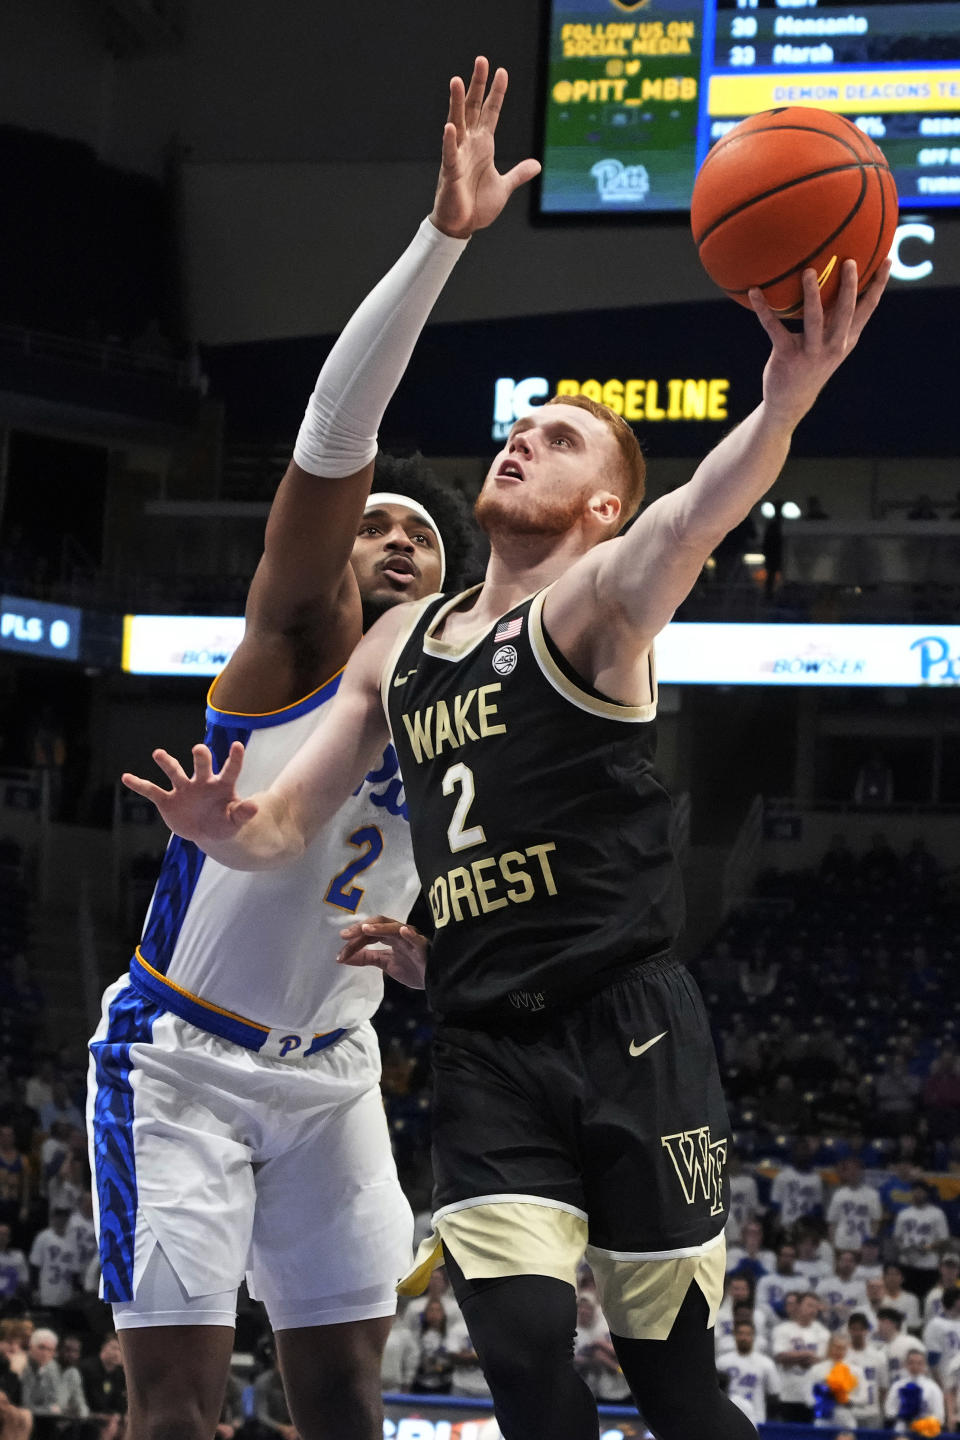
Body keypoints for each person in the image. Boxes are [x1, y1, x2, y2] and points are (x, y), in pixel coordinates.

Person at [122, 55, 890, 1440]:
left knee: (629, 1384)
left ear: (599, 507)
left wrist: (782, 402)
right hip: (356, 1043)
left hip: (550, 1031)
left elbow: (693, 518)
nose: (520, 446)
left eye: (558, 438)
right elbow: (290, 809)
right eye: (518, 427)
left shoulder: (588, 607)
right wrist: (231, 829)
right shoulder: (352, 642)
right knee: (508, 1360)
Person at [85, 55, 488, 1440]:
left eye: (418, 538)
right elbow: (334, 438)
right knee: (182, 1411)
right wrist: (444, 238)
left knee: (345, 1403)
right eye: (379, 523)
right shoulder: (296, 643)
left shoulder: (467, 705)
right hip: (181, 1059)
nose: (388, 536)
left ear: (447, 591)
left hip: (336, 1072)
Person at [771, 1292, 830, 1423]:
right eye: (809, 1305)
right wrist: (807, 1354)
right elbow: (780, 1356)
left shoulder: (823, 1333)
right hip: (787, 1392)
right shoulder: (783, 1329)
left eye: (815, 1307)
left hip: (813, 1394)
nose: (813, 1310)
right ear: (798, 1306)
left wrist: (794, 1357)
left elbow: (822, 1360)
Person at [716, 1318, 780, 1426]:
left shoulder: (766, 1364)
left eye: (747, 1334)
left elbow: (774, 1393)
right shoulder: (722, 1362)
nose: (743, 1338)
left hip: (755, 1416)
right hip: (726, 1416)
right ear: (734, 1335)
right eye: (740, 1333)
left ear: (753, 1336)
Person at [846, 1310, 889, 1429]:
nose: (857, 1333)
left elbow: (883, 1388)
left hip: (871, 1412)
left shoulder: (878, 1356)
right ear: (849, 1330)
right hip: (849, 1412)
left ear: (867, 1331)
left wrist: (879, 1410)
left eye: (860, 1329)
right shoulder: (843, 1356)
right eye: (854, 1329)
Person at [884, 1347, 944, 1431]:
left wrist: (921, 1424)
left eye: (919, 1363)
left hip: (925, 1432)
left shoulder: (933, 1388)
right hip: (902, 1429)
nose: (915, 1366)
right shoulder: (897, 1386)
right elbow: (889, 1410)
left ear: (924, 1365)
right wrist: (902, 1417)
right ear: (905, 1364)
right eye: (911, 1363)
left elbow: (939, 1415)